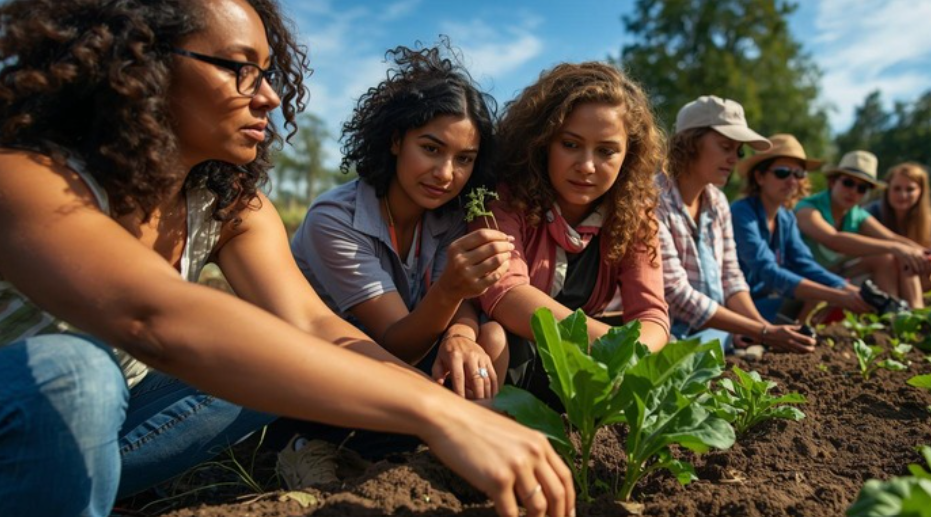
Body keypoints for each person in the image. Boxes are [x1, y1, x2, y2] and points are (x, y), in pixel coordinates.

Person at [0, 2, 574, 517]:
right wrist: (441, 414)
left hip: (110, 423)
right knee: (73, 374)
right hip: (35, 406)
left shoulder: (228, 204)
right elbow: (152, 318)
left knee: (269, 346)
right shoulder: (29, 177)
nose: (270, 95)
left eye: (268, 72)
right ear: (139, 64)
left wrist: (462, 413)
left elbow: (313, 327)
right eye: (237, 66)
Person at [291, 43, 508, 400]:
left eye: (464, 159)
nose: (445, 174)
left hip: (404, 364)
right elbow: (395, 344)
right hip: (330, 374)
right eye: (431, 149)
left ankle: (460, 433)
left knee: (492, 337)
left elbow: (461, 305)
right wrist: (452, 288)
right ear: (395, 140)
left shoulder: (447, 215)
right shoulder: (334, 221)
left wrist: (459, 337)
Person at [471, 62, 670, 404]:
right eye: (571, 144)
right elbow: (506, 295)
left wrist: (629, 355)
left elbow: (652, 315)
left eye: (606, 151)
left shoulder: (634, 217)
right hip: (509, 362)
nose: (587, 165)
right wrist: (611, 346)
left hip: (581, 368)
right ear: (543, 142)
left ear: (629, 155)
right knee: (494, 337)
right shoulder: (502, 198)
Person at [658, 96, 815, 354]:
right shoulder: (653, 199)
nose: (734, 159)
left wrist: (761, 328)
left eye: (738, 151)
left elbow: (731, 278)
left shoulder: (718, 202)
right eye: (725, 146)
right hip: (667, 335)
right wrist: (762, 331)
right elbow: (675, 293)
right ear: (690, 143)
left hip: (713, 332)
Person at [731, 134, 872, 322]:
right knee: (812, 297)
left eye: (799, 174)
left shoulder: (786, 217)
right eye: (782, 172)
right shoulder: (741, 213)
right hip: (736, 306)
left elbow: (804, 264)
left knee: (813, 297)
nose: (792, 181)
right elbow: (767, 271)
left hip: (765, 301)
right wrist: (838, 296)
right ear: (759, 177)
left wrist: (851, 291)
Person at [795, 150, 931, 309]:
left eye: (862, 188)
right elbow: (834, 240)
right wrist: (897, 248)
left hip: (830, 276)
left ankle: (902, 314)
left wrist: (930, 257)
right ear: (833, 182)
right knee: (891, 254)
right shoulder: (808, 209)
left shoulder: (857, 214)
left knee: (887, 259)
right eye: (848, 183)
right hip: (798, 280)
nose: (853, 191)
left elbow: (892, 238)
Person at [865, 162, 931, 249]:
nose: (903, 195)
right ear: (887, 190)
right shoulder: (870, 213)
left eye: (910, 189)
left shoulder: (930, 222)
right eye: (897, 189)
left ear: (921, 192)